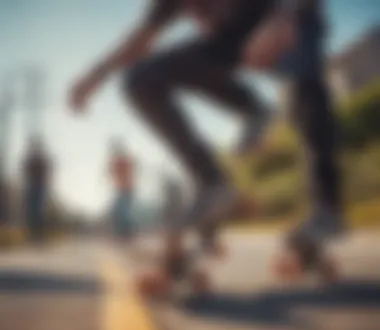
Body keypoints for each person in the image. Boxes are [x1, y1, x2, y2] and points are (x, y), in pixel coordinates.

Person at [70, 0, 344, 274]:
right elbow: (137, 43)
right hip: (231, 42)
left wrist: (285, 15)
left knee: (303, 68)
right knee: (141, 79)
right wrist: (95, 77)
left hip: (288, 14)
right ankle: (214, 179)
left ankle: (326, 205)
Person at [23, 134, 51, 243]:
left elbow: (46, 172)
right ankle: (32, 234)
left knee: (38, 212)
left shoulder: (41, 159)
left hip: (39, 187)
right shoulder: (31, 158)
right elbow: (25, 170)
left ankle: (38, 235)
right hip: (31, 187)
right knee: (31, 211)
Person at [109, 140, 135, 241]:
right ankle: (124, 233)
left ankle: (125, 233)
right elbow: (113, 172)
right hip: (124, 189)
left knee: (122, 211)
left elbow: (115, 171)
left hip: (126, 189)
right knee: (121, 211)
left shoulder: (121, 160)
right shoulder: (122, 160)